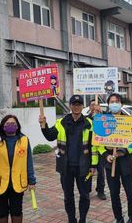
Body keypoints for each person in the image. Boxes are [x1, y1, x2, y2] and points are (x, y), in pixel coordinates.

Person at [39, 95, 98, 223]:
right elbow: (50, 136)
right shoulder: (61, 122)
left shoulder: (90, 124)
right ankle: (71, 219)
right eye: (74, 104)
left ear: (83, 106)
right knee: (68, 196)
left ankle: (82, 219)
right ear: (70, 106)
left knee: (85, 195)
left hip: (84, 166)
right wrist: (44, 126)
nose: (76, 107)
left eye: (79, 104)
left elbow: (94, 146)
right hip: (65, 166)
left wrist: (94, 165)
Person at [97, 93, 132, 223]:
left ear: (121, 103)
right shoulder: (103, 120)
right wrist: (106, 155)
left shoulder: (130, 120)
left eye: (117, 101)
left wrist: (123, 152)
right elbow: (98, 143)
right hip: (110, 164)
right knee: (114, 194)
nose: (114, 103)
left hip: (126, 163)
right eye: (112, 101)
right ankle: (118, 218)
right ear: (108, 105)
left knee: (130, 193)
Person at [86, 99, 107, 200]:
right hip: (89, 150)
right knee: (88, 171)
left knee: (101, 172)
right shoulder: (86, 120)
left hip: (101, 150)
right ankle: (87, 190)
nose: (94, 107)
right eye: (92, 105)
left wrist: (101, 115)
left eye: (96, 105)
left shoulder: (105, 118)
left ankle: (101, 190)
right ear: (89, 107)